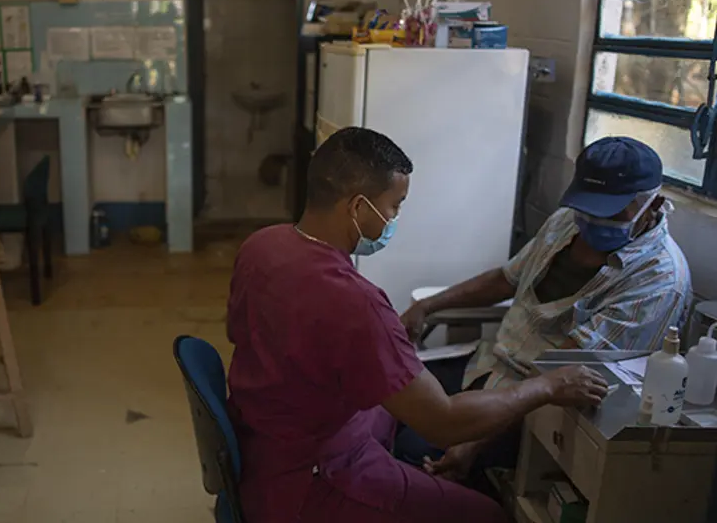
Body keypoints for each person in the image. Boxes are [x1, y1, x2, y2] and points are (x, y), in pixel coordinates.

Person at [225, 127, 608, 523]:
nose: (394, 218)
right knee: (487, 515)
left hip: (263, 442)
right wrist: (548, 386)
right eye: (395, 205)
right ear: (358, 207)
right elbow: (444, 423)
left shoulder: (261, 246)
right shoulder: (356, 302)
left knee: (387, 413)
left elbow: (253, 334)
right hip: (311, 480)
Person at [396, 136, 692, 482]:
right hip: (489, 365)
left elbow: (566, 370)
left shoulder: (657, 281)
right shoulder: (567, 222)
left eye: (610, 212)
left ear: (653, 204)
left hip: (539, 407)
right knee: (386, 402)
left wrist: (472, 442)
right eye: (587, 208)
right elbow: (507, 279)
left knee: (413, 450)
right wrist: (427, 306)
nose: (593, 220)